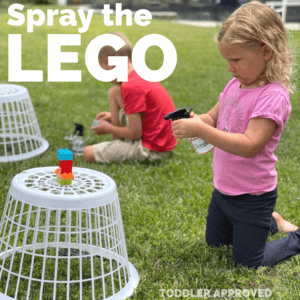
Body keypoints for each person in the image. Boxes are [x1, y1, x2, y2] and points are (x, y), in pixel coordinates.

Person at [171, 1, 299, 268]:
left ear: (266, 51)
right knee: (215, 244)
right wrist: (196, 122)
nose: (230, 67)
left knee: (248, 262)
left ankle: (295, 237)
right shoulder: (235, 84)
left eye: (236, 59)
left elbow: (250, 144)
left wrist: (202, 130)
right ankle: (272, 222)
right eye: (227, 60)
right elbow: (212, 117)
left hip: (252, 196)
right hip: (224, 190)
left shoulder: (273, 96)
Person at [83, 32, 177, 163]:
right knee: (115, 91)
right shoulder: (138, 76)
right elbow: (144, 114)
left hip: (152, 150)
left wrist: (108, 129)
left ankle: (117, 142)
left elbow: (134, 133)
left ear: (109, 62)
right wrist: (112, 118)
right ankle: (117, 142)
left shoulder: (130, 86)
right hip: (161, 142)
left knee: (88, 153)